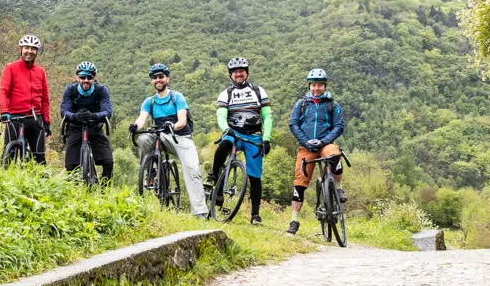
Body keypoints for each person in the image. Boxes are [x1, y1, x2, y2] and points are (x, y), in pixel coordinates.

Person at [129, 64, 207, 216]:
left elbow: (182, 121)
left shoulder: (177, 97)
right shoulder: (149, 101)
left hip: (180, 137)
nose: (158, 80)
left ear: (167, 79)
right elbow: (142, 118)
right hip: (160, 136)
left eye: (161, 77)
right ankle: (150, 172)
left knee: (193, 170)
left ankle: (200, 212)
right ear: (152, 81)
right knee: (143, 139)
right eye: (155, 78)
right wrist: (135, 126)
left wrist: (173, 125)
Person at [210, 57, 272, 224]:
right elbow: (221, 116)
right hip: (234, 133)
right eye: (235, 72)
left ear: (247, 73)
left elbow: (267, 116)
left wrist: (266, 139)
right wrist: (226, 129)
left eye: (241, 71)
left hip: (254, 137)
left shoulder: (258, 91)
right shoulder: (226, 94)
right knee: (224, 144)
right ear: (231, 75)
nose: (239, 74)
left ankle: (255, 215)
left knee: (255, 177)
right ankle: (213, 176)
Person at [285, 68, 345, 234]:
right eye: (313, 85)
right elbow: (293, 124)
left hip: (325, 144)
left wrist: (323, 141)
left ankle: (338, 188)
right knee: (299, 184)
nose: (316, 88)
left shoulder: (332, 105)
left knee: (335, 156)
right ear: (309, 86)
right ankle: (294, 220)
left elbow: (339, 126)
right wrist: (306, 141)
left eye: (319, 85)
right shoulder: (301, 104)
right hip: (306, 146)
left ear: (324, 86)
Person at [0, 34, 51, 164]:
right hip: (14, 116)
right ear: (20, 49)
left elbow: (44, 99)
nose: (29, 51)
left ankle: (39, 176)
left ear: (37, 52)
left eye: (33, 49)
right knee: (8, 156)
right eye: (26, 48)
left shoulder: (40, 72)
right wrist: (4, 112)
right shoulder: (10, 68)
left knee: (39, 159)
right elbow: (2, 91)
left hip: (35, 118)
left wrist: (46, 122)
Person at [60, 61, 114, 182]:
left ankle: (104, 188)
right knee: (70, 167)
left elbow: (107, 111)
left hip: (95, 128)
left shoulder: (101, 90)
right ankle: (74, 189)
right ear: (77, 77)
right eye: (82, 77)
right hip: (75, 128)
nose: (86, 80)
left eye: (89, 77)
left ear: (94, 78)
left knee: (108, 162)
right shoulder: (70, 90)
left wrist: (93, 116)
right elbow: (64, 111)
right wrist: (75, 116)